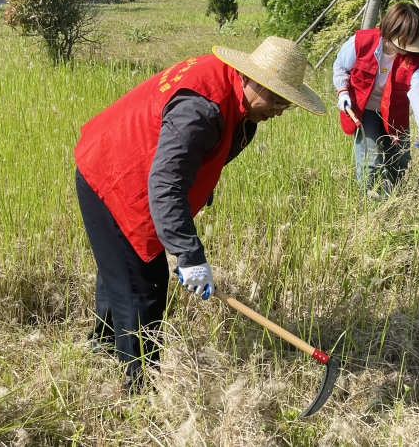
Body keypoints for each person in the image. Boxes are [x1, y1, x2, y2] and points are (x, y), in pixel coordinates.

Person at [74, 37, 325, 392]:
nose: (281, 110)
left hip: (135, 168)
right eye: (279, 99)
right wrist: (189, 255)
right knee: (143, 289)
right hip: (113, 174)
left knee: (122, 273)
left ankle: (100, 348)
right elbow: (166, 184)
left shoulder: (240, 103)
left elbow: (194, 162)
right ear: (254, 80)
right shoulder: (202, 109)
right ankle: (138, 390)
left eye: (289, 103)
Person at [333, 2, 419, 197]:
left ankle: (396, 197)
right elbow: (341, 67)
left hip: (395, 110)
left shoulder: (416, 60)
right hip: (364, 109)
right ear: (393, 31)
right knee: (370, 158)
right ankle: (371, 200)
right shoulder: (360, 43)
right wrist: (342, 92)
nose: (410, 49)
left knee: (400, 159)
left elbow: (418, 89)